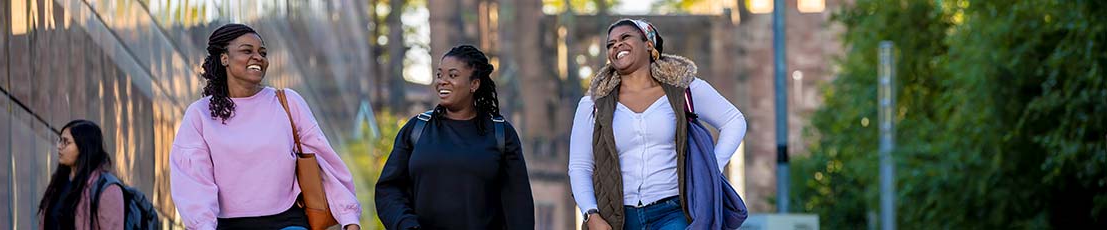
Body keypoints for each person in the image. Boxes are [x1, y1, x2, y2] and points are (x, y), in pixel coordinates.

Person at [170, 23, 361, 230]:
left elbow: (324, 162)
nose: (258, 57)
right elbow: (193, 181)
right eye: (246, 51)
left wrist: (349, 218)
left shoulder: (287, 102)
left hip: (288, 221)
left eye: (262, 53)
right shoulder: (200, 114)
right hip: (226, 225)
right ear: (224, 58)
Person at [568, 19, 748, 230]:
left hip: (674, 211)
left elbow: (734, 121)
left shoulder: (684, 88)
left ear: (649, 44)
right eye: (611, 44)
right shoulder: (593, 103)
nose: (616, 45)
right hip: (618, 217)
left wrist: (713, 166)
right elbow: (580, 166)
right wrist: (591, 214)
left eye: (625, 37)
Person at [375, 45, 535, 230]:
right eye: (439, 75)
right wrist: (406, 225)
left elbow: (518, 206)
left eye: (452, 75)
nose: (442, 81)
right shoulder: (416, 129)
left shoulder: (501, 134)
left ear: (474, 84)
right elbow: (388, 189)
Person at [38, 120, 124, 229]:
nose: (59, 146)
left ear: (83, 147)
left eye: (66, 142)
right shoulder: (60, 182)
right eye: (60, 140)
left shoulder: (107, 189)